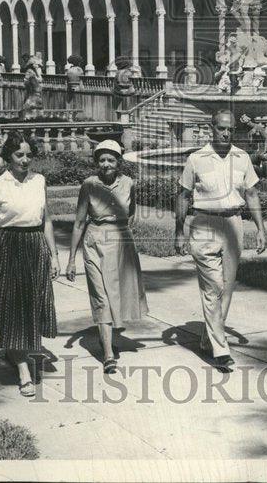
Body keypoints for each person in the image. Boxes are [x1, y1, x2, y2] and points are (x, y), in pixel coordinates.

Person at [174, 109, 266, 372]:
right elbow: (182, 196)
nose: (226, 133)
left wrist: (260, 228)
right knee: (213, 287)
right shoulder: (196, 159)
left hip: (234, 224)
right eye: (221, 128)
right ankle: (221, 350)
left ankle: (207, 339)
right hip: (204, 223)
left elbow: (251, 194)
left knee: (226, 286)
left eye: (230, 129)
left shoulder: (242, 157)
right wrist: (179, 230)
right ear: (210, 129)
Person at [0, 131, 59, 397]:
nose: (25, 160)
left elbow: (46, 219)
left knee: (34, 304)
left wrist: (54, 255)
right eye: (19, 155)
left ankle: (22, 353)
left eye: (29, 155)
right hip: (8, 247)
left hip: (35, 245)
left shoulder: (40, 181)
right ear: (8, 157)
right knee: (13, 309)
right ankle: (24, 370)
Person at [66, 140, 148, 374]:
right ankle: (108, 354)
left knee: (116, 295)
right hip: (94, 242)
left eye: (111, 160)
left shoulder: (129, 184)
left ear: (119, 162)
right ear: (96, 162)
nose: (106, 164)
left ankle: (107, 336)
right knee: (100, 296)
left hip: (121, 242)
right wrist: (71, 259)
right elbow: (79, 222)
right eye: (101, 160)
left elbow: (131, 214)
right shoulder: (89, 185)